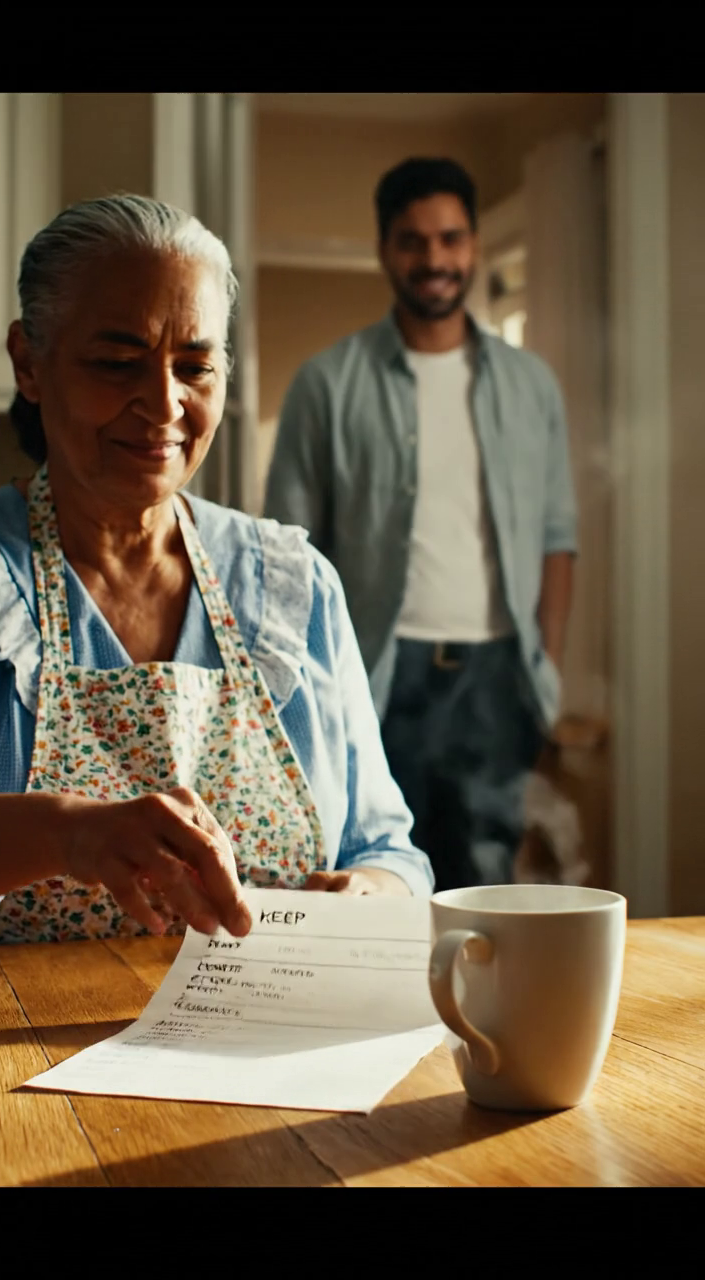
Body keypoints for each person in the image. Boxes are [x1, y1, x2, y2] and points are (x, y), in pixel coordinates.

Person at [0, 194, 433, 946]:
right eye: (117, 363)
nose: (164, 404)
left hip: (261, 1047)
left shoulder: (297, 589)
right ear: (30, 362)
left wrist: (370, 895)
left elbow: (389, 848)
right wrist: (68, 834)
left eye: (195, 365)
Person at [264, 157, 577, 891]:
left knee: (487, 882)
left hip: (499, 676)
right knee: (376, 881)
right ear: (384, 249)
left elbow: (558, 535)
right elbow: (288, 556)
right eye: (413, 241)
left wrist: (546, 673)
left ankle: (475, 1013)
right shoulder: (326, 383)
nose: (434, 259)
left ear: (472, 246)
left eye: (450, 239)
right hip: (374, 672)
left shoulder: (531, 386)